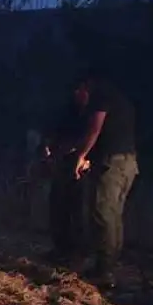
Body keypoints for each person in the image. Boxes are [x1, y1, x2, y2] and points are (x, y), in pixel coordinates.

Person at [68, 71, 138, 290]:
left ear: (84, 86)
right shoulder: (119, 99)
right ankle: (106, 265)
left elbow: (94, 129)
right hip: (126, 162)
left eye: (77, 93)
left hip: (112, 164)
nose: (77, 99)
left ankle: (105, 271)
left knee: (102, 213)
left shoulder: (102, 96)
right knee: (112, 215)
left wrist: (81, 155)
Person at [40, 95, 89, 268]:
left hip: (79, 165)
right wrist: (49, 147)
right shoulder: (68, 112)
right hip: (62, 162)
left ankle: (76, 252)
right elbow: (53, 134)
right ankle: (61, 249)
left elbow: (88, 139)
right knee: (58, 206)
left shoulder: (90, 115)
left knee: (76, 209)